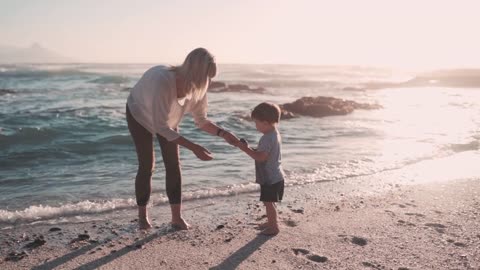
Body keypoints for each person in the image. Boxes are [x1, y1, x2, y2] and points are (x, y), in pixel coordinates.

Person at [126, 48, 240, 230]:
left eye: (210, 78)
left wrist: (224, 134)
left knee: (173, 164)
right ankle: (142, 218)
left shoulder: (199, 87)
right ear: (195, 71)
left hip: (166, 119)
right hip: (139, 113)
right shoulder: (163, 80)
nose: (208, 82)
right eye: (206, 77)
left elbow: (201, 121)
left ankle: (176, 218)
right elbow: (160, 127)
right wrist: (194, 147)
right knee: (147, 165)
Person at [237, 102, 286, 235]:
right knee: (269, 201)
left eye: (257, 123)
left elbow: (261, 158)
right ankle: (271, 221)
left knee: (269, 203)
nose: (256, 126)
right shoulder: (275, 134)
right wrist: (250, 148)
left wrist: (245, 149)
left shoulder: (266, 138)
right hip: (276, 175)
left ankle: (274, 227)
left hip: (270, 178)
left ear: (265, 122)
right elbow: (264, 154)